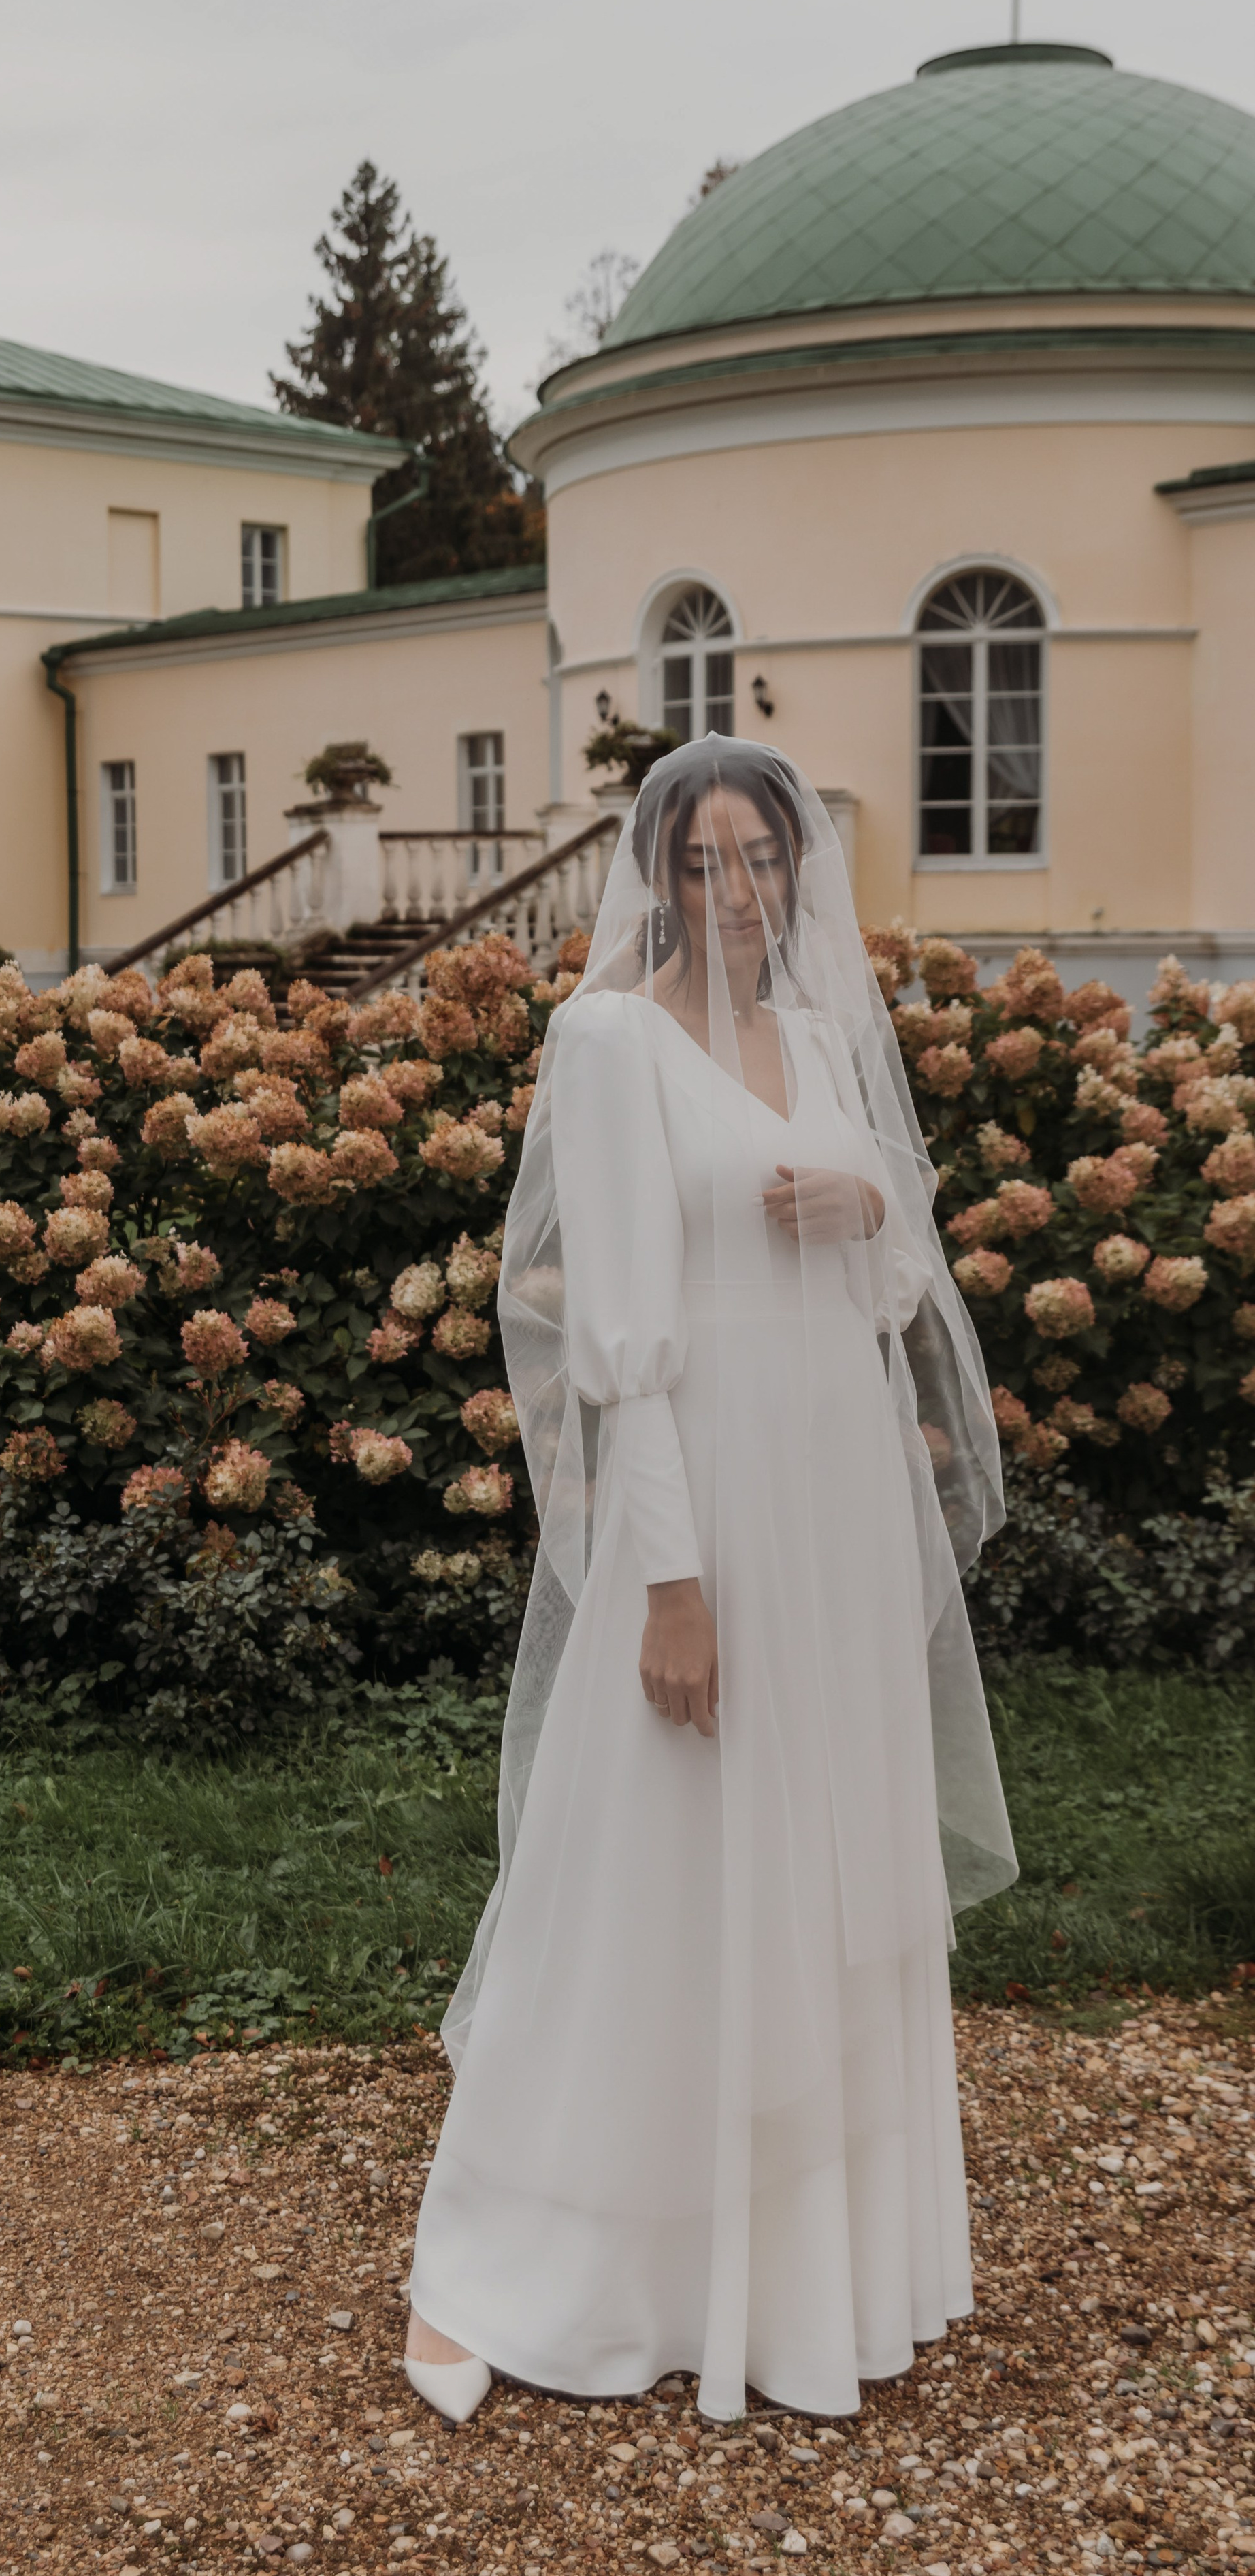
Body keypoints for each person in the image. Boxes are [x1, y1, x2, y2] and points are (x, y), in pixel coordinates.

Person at [402, 734, 1016, 2428]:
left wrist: (863, 1195)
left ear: (794, 872)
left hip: (831, 1499)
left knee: (824, 1855)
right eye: (704, 862)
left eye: (763, 860)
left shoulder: (817, 1036)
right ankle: (600, 2248)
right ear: (657, 875)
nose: (737, 891)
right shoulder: (606, 1044)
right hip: (711, 1506)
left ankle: (826, 2262)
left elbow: (894, 1280)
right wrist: (665, 1579)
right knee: (660, 1861)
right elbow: (613, 1342)